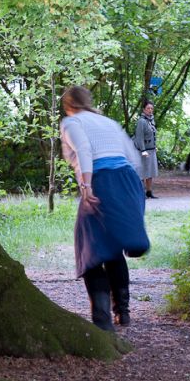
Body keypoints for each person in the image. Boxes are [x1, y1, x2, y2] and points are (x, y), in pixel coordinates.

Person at [60, 86, 150, 331]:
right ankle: (123, 312)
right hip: (128, 181)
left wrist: (87, 185)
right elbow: (133, 158)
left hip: (101, 181)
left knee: (90, 249)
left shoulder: (71, 122)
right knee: (111, 249)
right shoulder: (108, 122)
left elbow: (85, 151)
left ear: (68, 105)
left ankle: (102, 321)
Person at [133, 101, 159, 198]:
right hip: (143, 150)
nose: (150, 110)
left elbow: (152, 135)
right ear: (144, 109)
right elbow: (139, 137)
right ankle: (141, 193)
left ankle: (149, 192)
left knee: (150, 172)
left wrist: (154, 146)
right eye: (148, 108)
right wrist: (143, 150)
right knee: (143, 171)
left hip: (151, 149)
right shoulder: (141, 121)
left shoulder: (151, 120)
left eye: (151, 108)